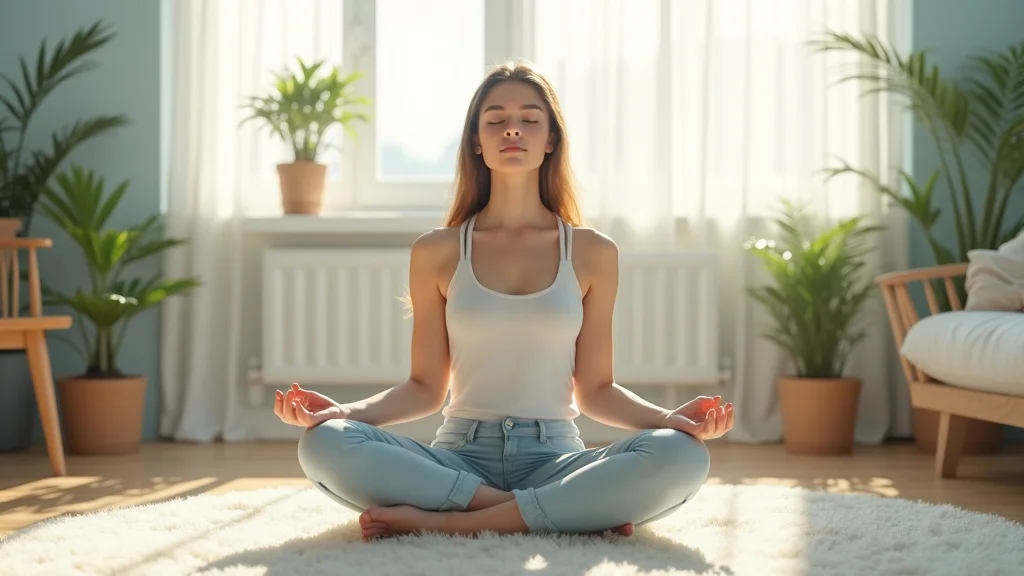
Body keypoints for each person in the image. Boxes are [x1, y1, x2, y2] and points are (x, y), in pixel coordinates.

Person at [273, 60, 734, 541]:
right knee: (323, 443)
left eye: (530, 119)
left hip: (554, 457)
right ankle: (555, 512)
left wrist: (670, 420)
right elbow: (425, 388)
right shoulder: (437, 250)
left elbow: (596, 390)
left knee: (682, 454)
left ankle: (451, 524)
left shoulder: (594, 251)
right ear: (477, 140)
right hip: (457, 462)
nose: (512, 127)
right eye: (495, 119)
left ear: (551, 139)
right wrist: (344, 413)